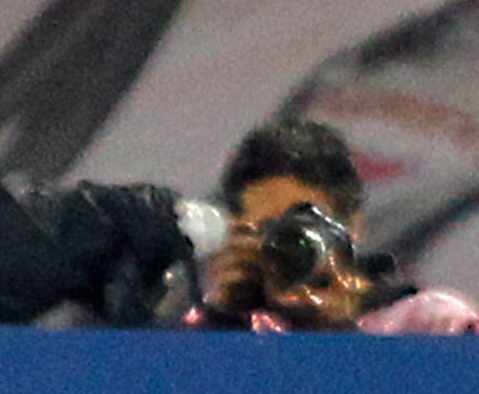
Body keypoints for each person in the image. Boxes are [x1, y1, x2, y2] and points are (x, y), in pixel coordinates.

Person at [192, 117, 479, 335]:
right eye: (265, 227)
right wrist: (223, 319)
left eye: (302, 223)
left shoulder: (431, 324)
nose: (283, 243)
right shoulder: (203, 330)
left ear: (351, 227)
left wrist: (332, 320)